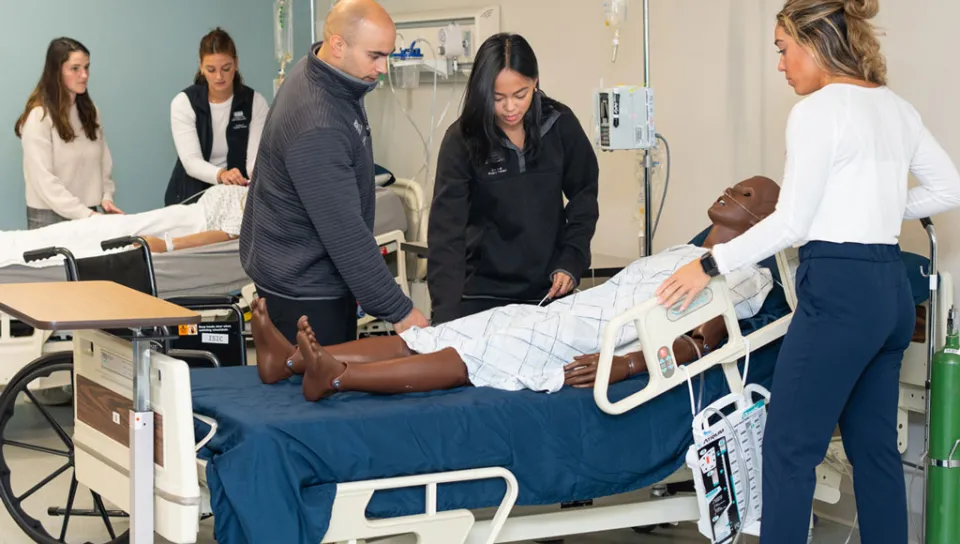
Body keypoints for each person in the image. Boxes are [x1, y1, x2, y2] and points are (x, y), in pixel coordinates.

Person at [654, 2, 960, 542]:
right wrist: (882, 208)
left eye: (783, 48)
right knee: (875, 454)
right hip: (890, 292)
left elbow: (791, 222)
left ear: (815, 43)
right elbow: (948, 188)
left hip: (840, 293)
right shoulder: (896, 107)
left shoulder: (819, 112)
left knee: (789, 450)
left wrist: (710, 263)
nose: (780, 63)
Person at [249, 176, 780, 401]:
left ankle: (337, 379)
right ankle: (291, 363)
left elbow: (706, 340)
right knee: (453, 332)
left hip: (596, 338)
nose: (731, 189)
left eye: (748, 190)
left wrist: (626, 364)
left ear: (767, 217)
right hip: (564, 314)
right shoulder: (685, 251)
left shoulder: (744, 270)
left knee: (477, 354)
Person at [239, 0, 427, 345]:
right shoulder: (317, 122)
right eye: (375, 56)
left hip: (295, 276)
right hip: (305, 294)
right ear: (338, 45)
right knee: (320, 393)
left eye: (387, 54)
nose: (383, 68)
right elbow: (346, 235)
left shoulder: (318, 70)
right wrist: (399, 311)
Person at [428, 33, 600, 324]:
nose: (510, 108)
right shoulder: (462, 140)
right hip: (481, 296)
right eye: (497, 98)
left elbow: (584, 193)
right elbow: (447, 236)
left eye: (520, 94)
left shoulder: (559, 125)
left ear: (535, 82)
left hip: (548, 293)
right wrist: (445, 318)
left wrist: (571, 259)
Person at [15, 37, 122, 230]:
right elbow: (44, 180)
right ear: (57, 72)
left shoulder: (90, 112)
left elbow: (103, 163)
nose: (84, 75)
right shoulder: (39, 117)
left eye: (87, 67)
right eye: (75, 68)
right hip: (50, 218)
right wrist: (86, 214)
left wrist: (106, 197)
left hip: (89, 212)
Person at [1, 184, 247, 267]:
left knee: (88, 242)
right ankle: (10, 244)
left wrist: (167, 245)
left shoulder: (258, 208)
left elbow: (225, 235)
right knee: (81, 230)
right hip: (167, 217)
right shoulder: (249, 188)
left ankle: (11, 253)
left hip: (177, 229)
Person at [165, 28, 269, 205]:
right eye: (211, 69)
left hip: (236, 196)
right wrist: (221, 175)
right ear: (201, 67)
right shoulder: (184, 103)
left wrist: (256, 180)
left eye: (226, 68)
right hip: (190, 198)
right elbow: (191, 162)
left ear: (236, 64)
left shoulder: (255, 103)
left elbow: (254, 161)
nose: (219, 76)